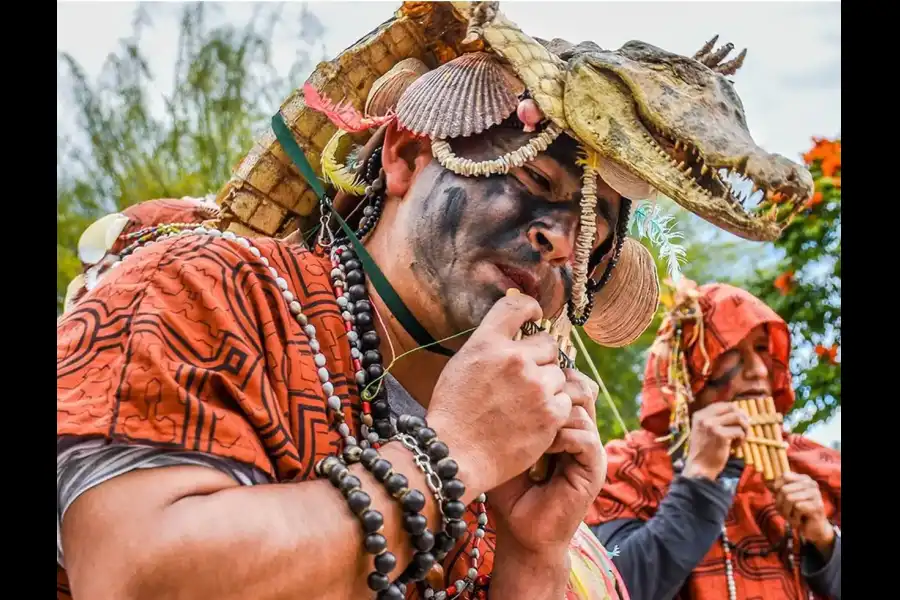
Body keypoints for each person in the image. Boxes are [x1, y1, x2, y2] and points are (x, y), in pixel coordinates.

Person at [57, 3, 813, 599]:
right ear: (408, 155)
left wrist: (534, 552)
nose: (558, 241)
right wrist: (452, 454)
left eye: (592, 234)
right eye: (536, 182)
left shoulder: (525, 465)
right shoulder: (206, 284)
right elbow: (135, 577)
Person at [586, 280, 841, 600]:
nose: (760, 370)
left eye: (762, 349)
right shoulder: (629, 466)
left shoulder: (813, 466)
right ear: (688, 368)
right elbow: (615, 585)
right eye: (733, 350)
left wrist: (825, 539)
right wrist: (700, 479)